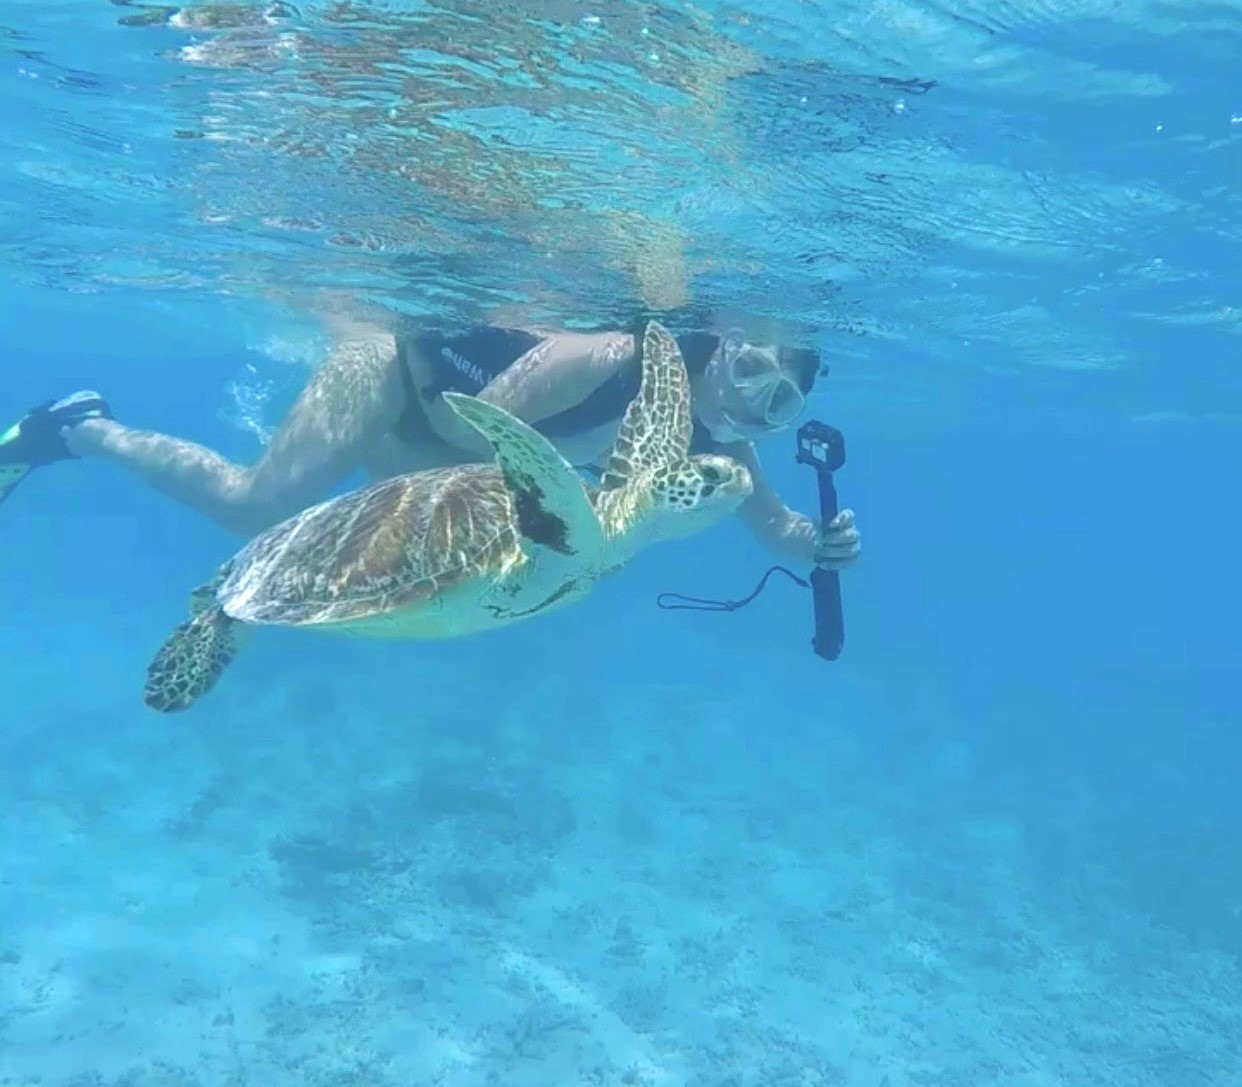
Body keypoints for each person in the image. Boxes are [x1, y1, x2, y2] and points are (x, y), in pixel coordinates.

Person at [0, 320, 861, 569]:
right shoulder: (604, 357)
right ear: (718, 342)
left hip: (445, 454)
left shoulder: (717, 449)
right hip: (396, 382)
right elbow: (459, 426)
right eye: (750, 369)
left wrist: (817, 543)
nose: (752, 404)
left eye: (777, 403)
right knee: (250, 506)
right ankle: (78, 426)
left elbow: (774, 524)